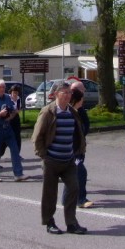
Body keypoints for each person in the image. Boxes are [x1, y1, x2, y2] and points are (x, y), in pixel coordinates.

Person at [30, 83, 87, 235]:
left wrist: (79, 151)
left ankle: (71, 223)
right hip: (51, 160)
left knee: (74, 188)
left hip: (68, 160)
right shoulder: (48, 112)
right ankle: (49, 222)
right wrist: (44, 156)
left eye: (69, 93)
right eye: (64, 92)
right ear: (56, 94)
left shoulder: (72, 112)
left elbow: (78, 134)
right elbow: (37, 137)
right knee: (50, 194)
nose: (68, 95)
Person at [0, 80, 26, 182]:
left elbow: (11, 110)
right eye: (0, 87)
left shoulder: (8, 97)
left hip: (7, 128)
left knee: (15, 150)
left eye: (3, 87)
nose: (2, 89)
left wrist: (10, 116)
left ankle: (18, 174)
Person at [64, 81, 93, 208]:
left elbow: (83, 128)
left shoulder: (77, 112)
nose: (83, 102)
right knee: (81, 172)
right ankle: (81, 199)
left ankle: (66, 200)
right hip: (70, 151)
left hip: (77, 150)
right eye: (81, 100)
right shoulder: (68, 114)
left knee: (73, 175)